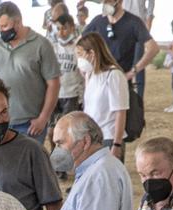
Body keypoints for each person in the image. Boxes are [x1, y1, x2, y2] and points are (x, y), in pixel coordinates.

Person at [0, 2, 64, 141]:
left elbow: (54, 83)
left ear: (18, 22)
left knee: (29, 162)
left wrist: (43, 118)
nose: (1, 30)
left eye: (5, 26)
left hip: (30, 125)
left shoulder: (41, 45)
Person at [85, 0, 160, 141]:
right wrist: (87, 69)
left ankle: (116, 148)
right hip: (98, 84)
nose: (105, 4)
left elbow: (153, 48)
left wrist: (134, 71)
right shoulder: (98, 21)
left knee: (116, 128)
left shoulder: (133, 22)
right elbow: (80, 43)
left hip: (119, 83)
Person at [76, 33, 133, 151]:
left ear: (91, 53)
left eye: (80, 54)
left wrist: (116, 144)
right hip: (92, 136)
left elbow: (120, 112)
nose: (79, 59)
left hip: (109, 137)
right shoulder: (90, 74)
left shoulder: (114, 75)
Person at [51, 8, 86, 116]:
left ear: (72, 28)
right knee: (53, 127)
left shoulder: (78, 48)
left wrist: (82, 96)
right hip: (56, 94)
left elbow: (84, 73)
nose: (61, 32)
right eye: (58, 29)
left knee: (69, 125)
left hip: (72, 94)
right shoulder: (52, 48)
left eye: (65, 28)